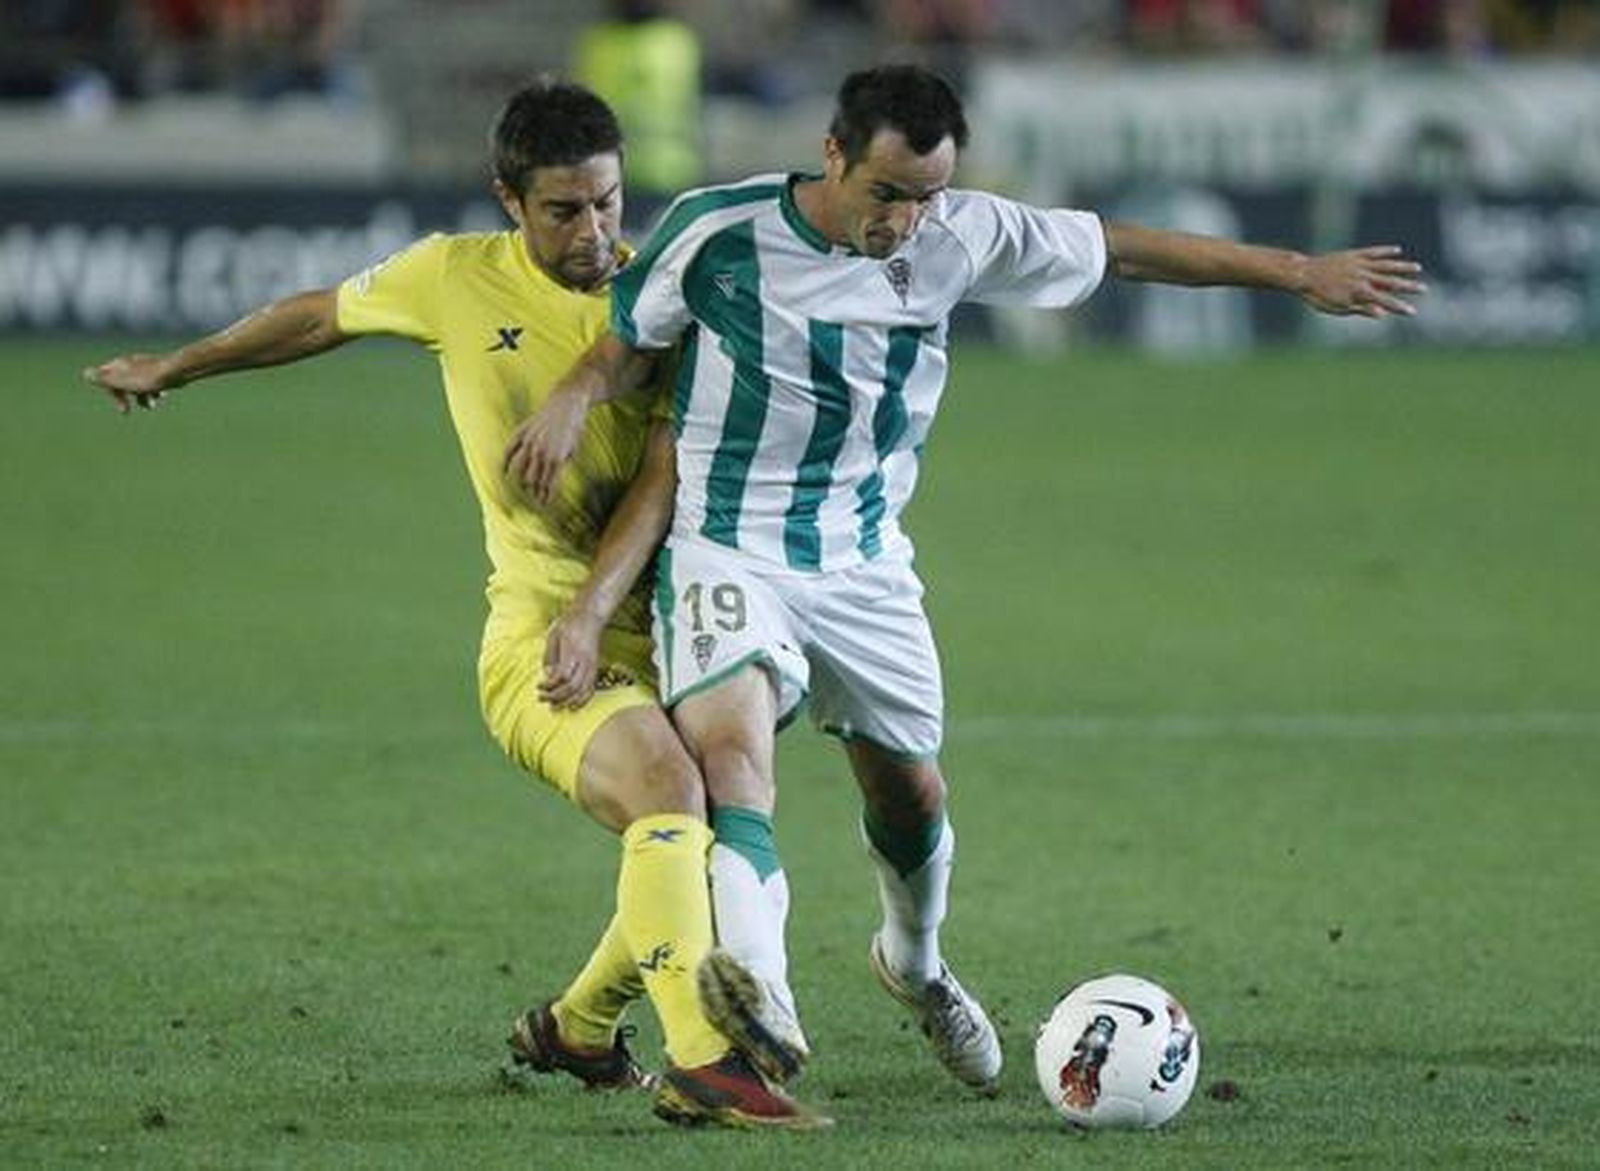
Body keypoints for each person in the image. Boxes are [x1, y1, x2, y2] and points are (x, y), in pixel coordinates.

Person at [505, 63, 1425, 1096]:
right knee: (731, 762)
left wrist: (1297, 272)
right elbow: (630, 344)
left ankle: (914, 961)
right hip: (727, 546)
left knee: (909, 792)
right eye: (885, 193)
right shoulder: (718, 231)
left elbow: (1117, 250)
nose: (904, 220)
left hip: (862, 561)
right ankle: (761, 1000)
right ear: (833, 157)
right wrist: (575, 396)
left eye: (926, 195)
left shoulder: (959, 234)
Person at [81, 79, 824, 1131]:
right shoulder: (450, 278)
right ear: (508, 200)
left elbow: (664, 477)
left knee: (706, 824)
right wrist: (180, 365)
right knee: (669, 792)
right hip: (535, 642)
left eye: (609, 203)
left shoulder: (660, 302)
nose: (594, 231)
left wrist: (595, 607)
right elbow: (316, 316)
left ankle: (577, 1027)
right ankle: (708, 1060)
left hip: (660, 628)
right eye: (565, 209)